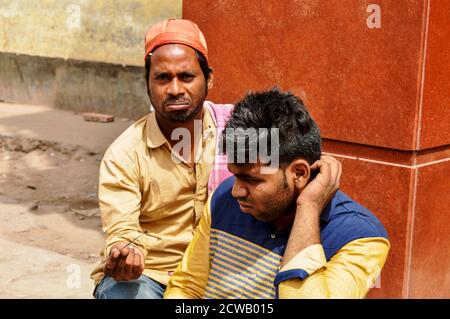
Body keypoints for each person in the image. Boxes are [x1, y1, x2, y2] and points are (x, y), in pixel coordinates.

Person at [164, 88, 390, 299]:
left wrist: (308, 209)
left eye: (252, 179)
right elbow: (186, 287)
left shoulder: (361, 238)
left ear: (299, 174)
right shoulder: (222, 198)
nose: (236, 191)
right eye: (235, 175)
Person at [90, 18, 234, 299]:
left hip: (223, 270)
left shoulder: (237, 130)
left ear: (210, 79)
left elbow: (281, 180)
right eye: (163, 78)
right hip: (151, 277)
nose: (175, 89)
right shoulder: (125, 154)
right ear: (147, 83)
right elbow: (122, 229)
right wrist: (126, 252)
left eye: (187, 76)